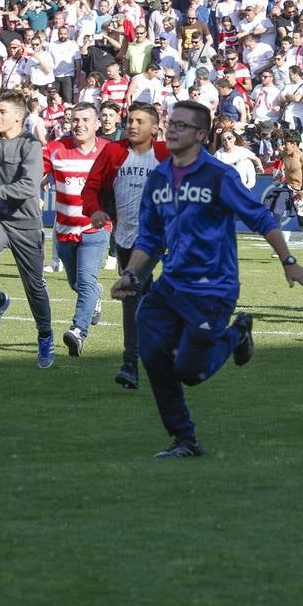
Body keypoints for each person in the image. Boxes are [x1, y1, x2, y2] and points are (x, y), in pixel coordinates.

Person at [110, 101, 303, 458]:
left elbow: (260, 217)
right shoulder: (158, 177)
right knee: (153, 355)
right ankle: (184, 439)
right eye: (171, 124)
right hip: (170, 286)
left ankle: (237, 333)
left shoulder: (218, 176)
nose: (172, 130)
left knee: (190, 371)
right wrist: (130, 273)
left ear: (202, 135)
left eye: (182, 126)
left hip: (212, 289)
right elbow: (150, 236)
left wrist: (289, 261)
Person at [84, 101, 171, 390]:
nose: (132, 125)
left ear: (155, 128)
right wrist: (95, 209)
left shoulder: (167, 154)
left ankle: (130, 363)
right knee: (144, 296)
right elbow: (92, 186)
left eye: (140, 121)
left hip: (154, 238)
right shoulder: (113, 151)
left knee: (130, 288)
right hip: (123, 237)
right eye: (130, 120)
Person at [0, 93, 57, 369]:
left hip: (27, 223)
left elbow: (29, 187)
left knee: (35, 287)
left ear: (19, 117)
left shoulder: (30, 145)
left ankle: (45, 335)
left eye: (2, 111)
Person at [43, 102, 112, 358]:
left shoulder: (110, 150)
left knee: (85, 282)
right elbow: (34, 174)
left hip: (96, 228)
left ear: (97, 124)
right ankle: (95, 298)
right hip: (64, 229)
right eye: (75, 120)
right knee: (77, 283)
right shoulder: (55, 148)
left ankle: (78, 331)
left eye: (85, 120)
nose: (79, 125)